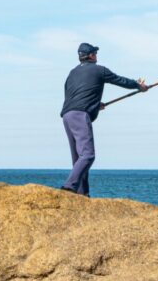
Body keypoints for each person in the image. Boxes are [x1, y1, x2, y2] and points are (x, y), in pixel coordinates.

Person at [59, 42, 148, 196]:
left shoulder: (72, 73)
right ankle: (68, 187)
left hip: (67, 116)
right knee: (87, 155)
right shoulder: (100, 70)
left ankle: (82, 194)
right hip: (80, 115)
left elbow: (70, 93)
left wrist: (94, 104)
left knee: (79, 159)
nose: (97, 56)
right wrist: (138, 86)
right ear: (91, 55)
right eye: (95, 53)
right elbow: (121, 81)